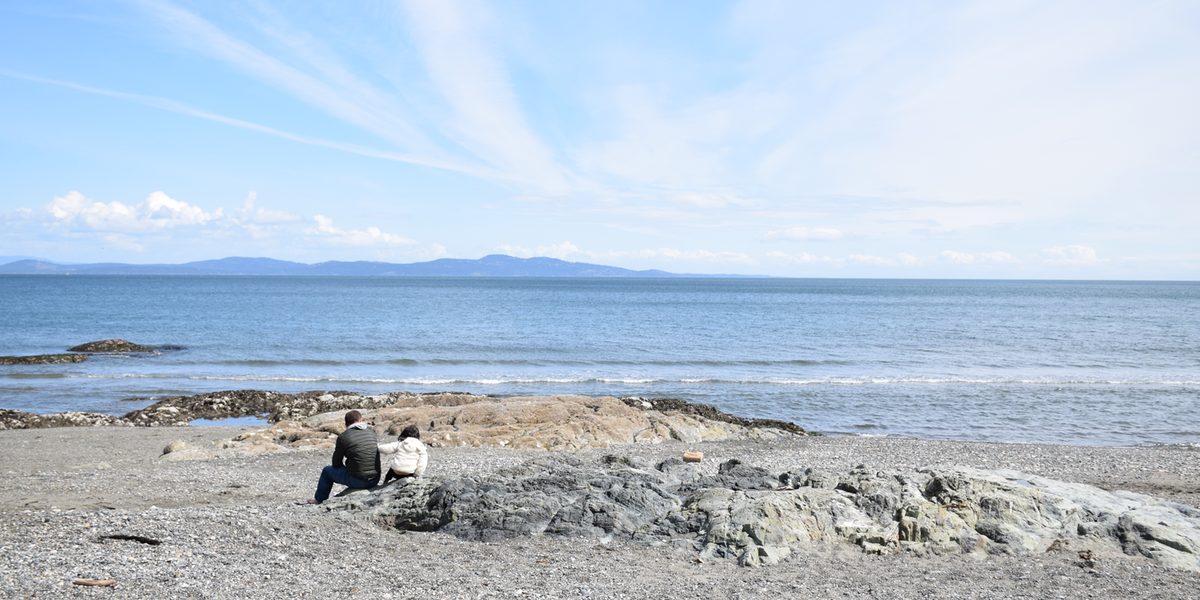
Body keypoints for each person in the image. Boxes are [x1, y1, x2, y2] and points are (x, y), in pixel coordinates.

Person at [308, 410, 380, 504]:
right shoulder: (370, 432)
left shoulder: (344, 437)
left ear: (345, 425)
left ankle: (319, 500)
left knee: (327, 471)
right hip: (375, 479)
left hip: (359, 481)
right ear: (360, 420)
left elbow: (336, 463)